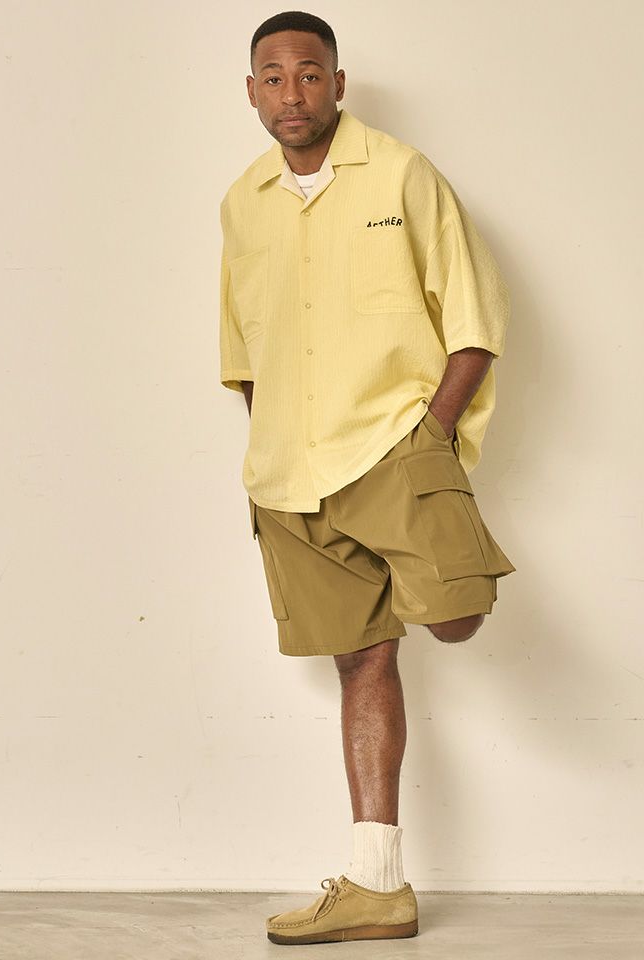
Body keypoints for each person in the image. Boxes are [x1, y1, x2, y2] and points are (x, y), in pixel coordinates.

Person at [219, 10, 517, 946]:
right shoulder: (243, 202)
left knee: (458, 618)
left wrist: (429, 437)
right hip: (290, 478)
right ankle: (378, 884)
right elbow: (244, 354)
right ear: (252, 92)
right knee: (364, 659)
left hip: (393, 449)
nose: (292, 92)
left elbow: (474, 322)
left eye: (310, 74)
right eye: (273, 77)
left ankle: (378, 883)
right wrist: (277, 440)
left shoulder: (401, 174)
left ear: (338, 84)